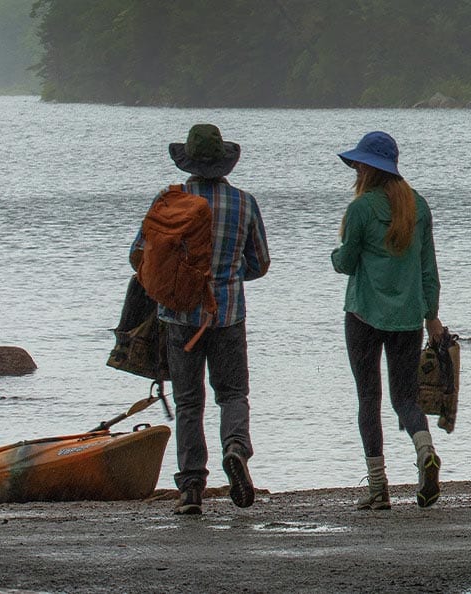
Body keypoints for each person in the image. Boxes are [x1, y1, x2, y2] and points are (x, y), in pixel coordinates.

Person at [131, 124, 270, 515]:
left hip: (178, 317)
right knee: (233, 395)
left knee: (189, 403)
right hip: (227, 315)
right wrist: (228, 272)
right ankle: (235, 448)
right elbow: (260, 264)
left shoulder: (168, 202)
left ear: (188, 162)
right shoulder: (244, 203)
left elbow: (138, 256)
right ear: (225, 163)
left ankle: (191, 490)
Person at [331, 131, 445, 510]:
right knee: (405, 399)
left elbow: (346, 263)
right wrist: (433, 318)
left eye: (360, 163)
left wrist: (336, 255)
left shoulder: (361, 210)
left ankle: (378, 489)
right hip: (408, 319)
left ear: (367, 167)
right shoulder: (419, 207)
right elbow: (429, 270)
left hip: (363, 314)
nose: (357, 168)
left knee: (369, 398)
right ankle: (425, 450)